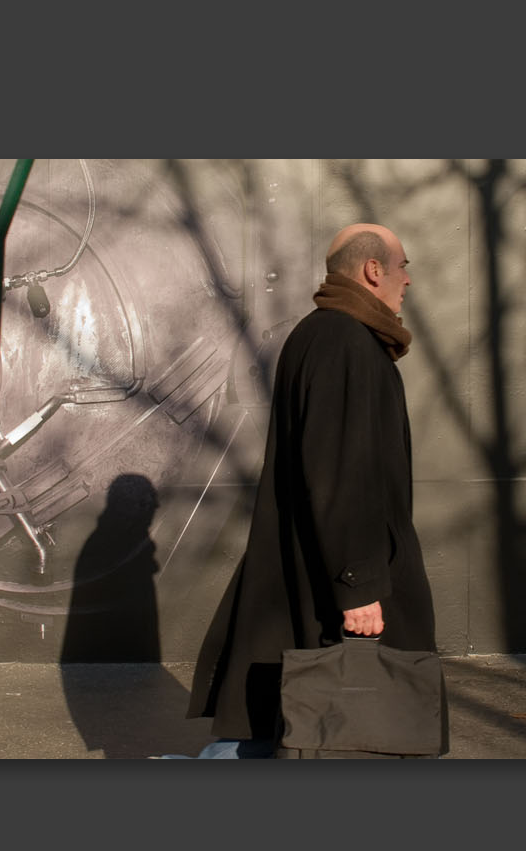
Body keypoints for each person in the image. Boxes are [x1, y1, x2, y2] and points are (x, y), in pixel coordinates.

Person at [174, 223, 437, 758]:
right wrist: (359, 585)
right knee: (337, 721)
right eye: (403, 266)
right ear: (373, 270)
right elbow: (342, 471)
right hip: (337, 578)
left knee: (285, 719)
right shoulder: (346, 343)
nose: (407, 280)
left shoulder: (326, 335)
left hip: (310, 570)